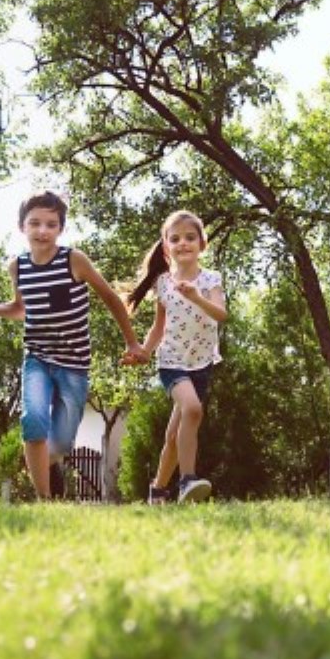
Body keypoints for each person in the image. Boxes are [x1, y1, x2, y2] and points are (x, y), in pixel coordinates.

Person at [0, 191, 144, 499]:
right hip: (37, 356)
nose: (42, 230)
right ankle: (44, 502)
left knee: (60, 444)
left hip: (74, 363)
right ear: (22, 227)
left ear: (60, 228)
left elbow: (111, 298)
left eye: (51, 224)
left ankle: (49, 466)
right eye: (34, 223)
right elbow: (21, 309)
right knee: (33, 421)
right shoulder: (17, 267)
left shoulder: (73, 259)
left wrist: (132, 342)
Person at [126, 211, 227, 504]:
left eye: (190, 237)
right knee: (193, 410)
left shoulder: (210, 280)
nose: (183, 243)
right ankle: (187, 481)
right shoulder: (163, 283)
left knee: (174, 435)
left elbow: (221, 315)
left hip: (202, 363)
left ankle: (157, 489)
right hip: (171, 361)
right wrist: (143, 351)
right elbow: (158, 327)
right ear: (166, 246)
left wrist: (197, 296)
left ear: (202, 243)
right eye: (176, 238)